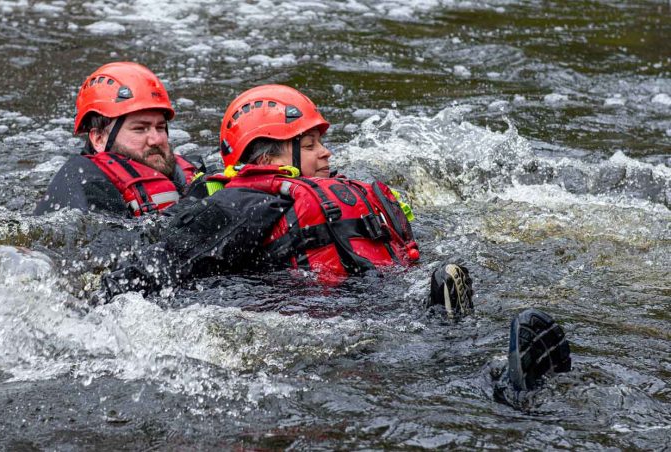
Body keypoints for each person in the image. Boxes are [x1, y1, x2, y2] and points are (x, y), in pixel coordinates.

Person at [96, 84, 571, 401]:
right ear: (267, 152)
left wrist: (95, 303)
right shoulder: (346, 197)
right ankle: (490, 372)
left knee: (396, 357)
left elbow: (155, 267)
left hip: (315, 323)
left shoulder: (242, 203)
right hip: (372, 304)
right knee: (419, 345)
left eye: (322, 140)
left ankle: (487, 372)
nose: (326, 152)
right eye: (310, 143)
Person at [34, 62, 200, 217]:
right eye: (140, 129)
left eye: (160, 127)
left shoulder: (189, 173)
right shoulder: (84, 185)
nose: (156, 140)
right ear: (99, 139)